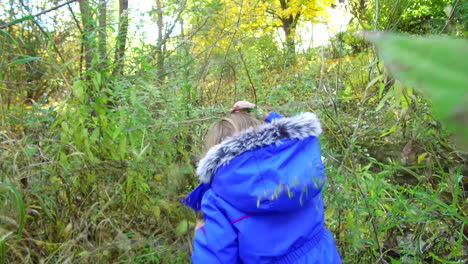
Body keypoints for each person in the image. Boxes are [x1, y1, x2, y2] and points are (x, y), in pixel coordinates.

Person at [183, 101, 342, 263]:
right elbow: (297, 138)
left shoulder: (219, 198)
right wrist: (266, 114)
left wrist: (203, 237)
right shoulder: (299, 166)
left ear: (214, 152)